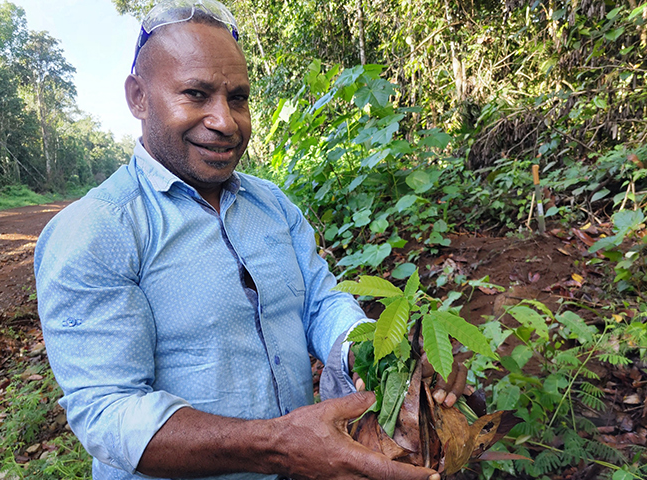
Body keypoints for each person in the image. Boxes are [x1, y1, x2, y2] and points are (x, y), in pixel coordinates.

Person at [34, 2, 466, 479]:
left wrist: (379, 358)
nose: (225, 121)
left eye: (237, 98)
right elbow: (109, 412)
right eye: (195, 94)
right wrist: (277, 446)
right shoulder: (98, 230)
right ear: (138, 97)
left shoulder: (273, 206)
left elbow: (319, 303)